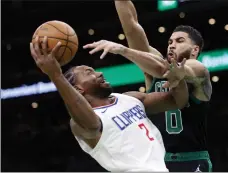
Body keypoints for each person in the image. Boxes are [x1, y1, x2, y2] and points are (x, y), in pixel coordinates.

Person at [30, 36, 189, 172]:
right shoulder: (81, 123)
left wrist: (177, 80)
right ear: (78, 89)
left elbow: (177, 101)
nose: (99, 73)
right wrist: (56, 75)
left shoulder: (130, 98)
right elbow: (92, 125)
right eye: (89, 73)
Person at [114, 1, 213, 172]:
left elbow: (183, 70)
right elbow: (132, 27)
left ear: (195, 50)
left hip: (192, 159)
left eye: (180, 41)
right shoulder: (154, 70)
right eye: (170, 41)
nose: (172, 45)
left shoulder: (199, 69)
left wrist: (126, 51)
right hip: (157, 160)